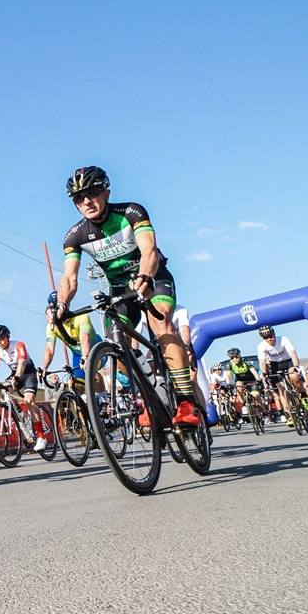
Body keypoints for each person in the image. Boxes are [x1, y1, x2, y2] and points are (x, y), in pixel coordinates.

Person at [55, 166, 201, 426]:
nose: (86, 201)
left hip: (153, 277)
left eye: (92, 192)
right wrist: (61, 304)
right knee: (117, 348)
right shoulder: (74, 236)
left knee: (160, 324)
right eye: (79, 197)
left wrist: (144, 277)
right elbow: (69, 278)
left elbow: (150, 251)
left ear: (106, 192)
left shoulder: (131, 212)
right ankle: (151, 395)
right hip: (120, 290)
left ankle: (186, 402)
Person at [0, 324, 50, 452]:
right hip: (15, 374)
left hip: (28, 373)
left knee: (29, 400)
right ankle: (20, 413)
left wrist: (18, 377)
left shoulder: (18, 345)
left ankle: (42, 437)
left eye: (1, 338)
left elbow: (22, 362)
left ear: (8, 336)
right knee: (4, 389)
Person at [41, 290, 101, 388]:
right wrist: (44, 367)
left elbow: (84, 338)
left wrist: (85, 357)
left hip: (94, 348)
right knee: (77, 385)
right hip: (77, 354)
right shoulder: (51, 327)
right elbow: (49, 349)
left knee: (91, 368)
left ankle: (103, 398)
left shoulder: (81, 317)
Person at [256, 326, 304, 422]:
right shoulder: (261, 346)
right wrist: (264, 373)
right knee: (281, 390)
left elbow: (293, 353)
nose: (269, 339)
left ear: (274, 334)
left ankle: (303, 394)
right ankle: (288, 413)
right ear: (263, 338)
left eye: (271, 336)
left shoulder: (283, 339)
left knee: (294, 376)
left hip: (288, 361)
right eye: (266, 337)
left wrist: (296, 366)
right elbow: (262, 361)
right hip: (275, 365)